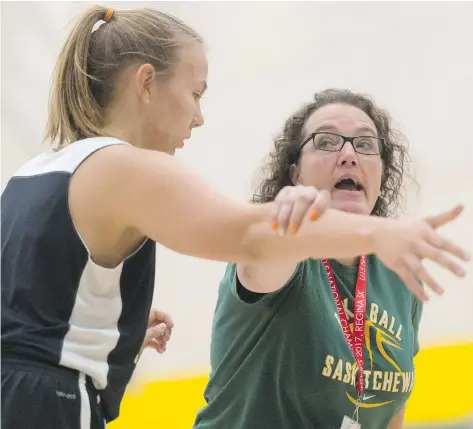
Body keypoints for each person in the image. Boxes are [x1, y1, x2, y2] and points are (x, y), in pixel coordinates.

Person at [192, 89, 470, 429]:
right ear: (295, 174)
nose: (349, 154)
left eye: (366, 145)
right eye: (326, 142)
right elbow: (264, 248)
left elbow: (390, 411)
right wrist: (290, 214)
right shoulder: (284, 250)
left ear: (382, 176)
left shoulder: (397, 273)